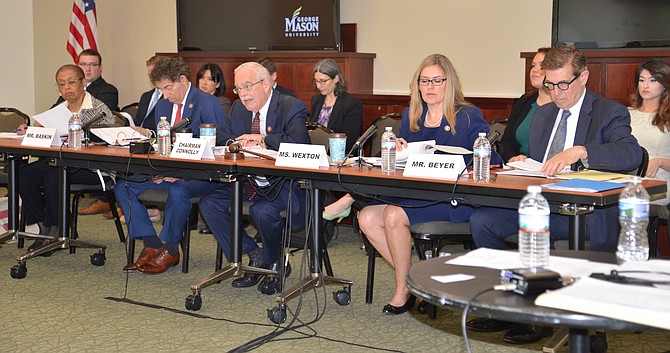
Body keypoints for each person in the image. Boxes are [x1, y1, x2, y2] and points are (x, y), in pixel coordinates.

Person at [468, 46, 642, 343]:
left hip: (587, 212)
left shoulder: (607, 111)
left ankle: (556, 315)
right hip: (544, 204)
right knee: (483, 220)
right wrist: (523, 164)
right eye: (550, 84)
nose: (557, 92)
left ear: (583, 77)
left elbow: (631, 153)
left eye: (564, 84)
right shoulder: (544, 115)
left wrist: (582, 151)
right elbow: (541, 168)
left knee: (539, 228)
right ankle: (509, 307)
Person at [357, 54, 499, 315]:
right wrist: (399, 149)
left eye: (437, 80)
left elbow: (491, 159)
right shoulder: (411, 115)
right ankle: (417, 281)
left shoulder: (467, 115)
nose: (430, 87)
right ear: (417, 85)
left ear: (450, 83)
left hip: (452, 199)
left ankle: (403, 288)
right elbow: (403, 160)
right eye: (424, 81)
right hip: (415, 194)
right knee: (366, 217)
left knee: (392, 214)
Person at [198, 61, 310, 294]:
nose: (243, 94)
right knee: (210, 204)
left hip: (282, 185)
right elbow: (223, 135)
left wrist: (262, 139)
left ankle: (276, 263)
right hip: (249, 182)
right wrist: (234, 143)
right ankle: (254, 254)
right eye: (238, 88)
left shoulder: (291, 106)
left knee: (263, 210)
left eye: (248, 86)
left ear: (267, 83)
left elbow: (299, 141)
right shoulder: (239, 108)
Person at [116, 57, 225, 274]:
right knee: (123, 186)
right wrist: (158, 169)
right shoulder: (163, 105)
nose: (165, 95)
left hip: (199, 176)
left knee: (179, 191)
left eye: (168, 88)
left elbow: (217, 145)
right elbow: (161, 145)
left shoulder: (206, 102)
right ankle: (152, 244)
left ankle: (170, 248)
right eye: (160, 89)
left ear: (183, 80)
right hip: (167, 172)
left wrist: (180, 173)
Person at [18, 64, 115, 250]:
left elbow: (110, 141)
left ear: (83, 82)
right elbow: (44, 131)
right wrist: (29, 130)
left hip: (93, 167)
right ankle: (42, 226)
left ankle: (57, 230)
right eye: (61, 84)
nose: (67, 88)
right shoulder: (59, 108)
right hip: (64, 162)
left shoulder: (98, 108)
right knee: (26, 174)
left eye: (71, 82)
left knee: (54, 176)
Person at [75, 49, 120, 216]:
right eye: (83, 64)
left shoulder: (107, 90)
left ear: (100, 68)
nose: (87, 69)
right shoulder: (70, 89)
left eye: (93, 65)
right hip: (71, 147)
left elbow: (97, 123)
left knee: (51, 176)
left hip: (94, 152)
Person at [629, 59, 670, 217]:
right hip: (627, 183)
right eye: (642, 80)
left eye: (653, 80)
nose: (645, 86)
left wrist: (660, 161)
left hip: (659, 188)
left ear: (664, 84)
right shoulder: (624, 114)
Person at [501, 48, 553, 163]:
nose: (535, 70)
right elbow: (506, 141)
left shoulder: (563, 105)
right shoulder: (524, 102)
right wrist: (513, 158)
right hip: (521, 168)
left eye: (542, 66)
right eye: (533, 66)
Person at [311, 58, 363, 154]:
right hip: (316, 154)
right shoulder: (316, 100)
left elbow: (349, 140)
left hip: (339, 156)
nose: (319, 86)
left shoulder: (351, 104)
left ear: (336, 79)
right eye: (316, 81)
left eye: (323, 81)